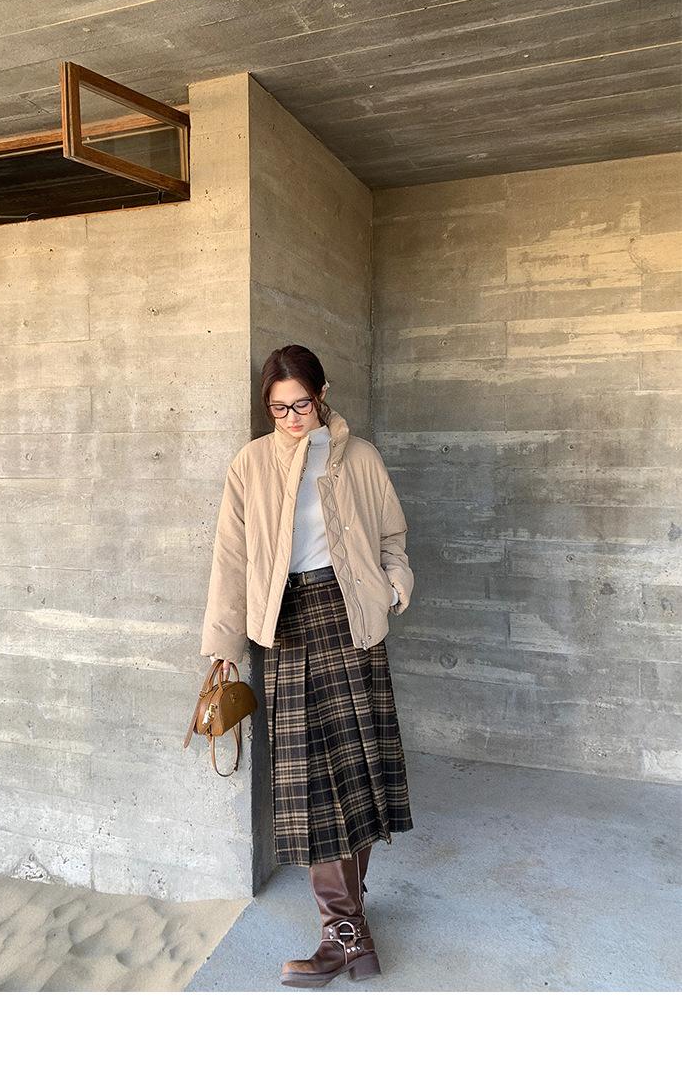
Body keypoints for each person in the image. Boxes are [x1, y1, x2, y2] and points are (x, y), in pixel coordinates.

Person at [200, 344, 414, 988]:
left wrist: (394, 585)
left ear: (322, 394)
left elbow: (392, 535)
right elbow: (231, 558)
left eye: (301, 404)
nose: (291, 419)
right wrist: (225, 644)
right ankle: (346, 931)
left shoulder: (361, 458)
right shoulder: (250, 464)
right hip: (287, 626)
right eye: (278, 409)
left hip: (352, 620)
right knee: (311, 785)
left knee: (360, 770)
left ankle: (345, 932)